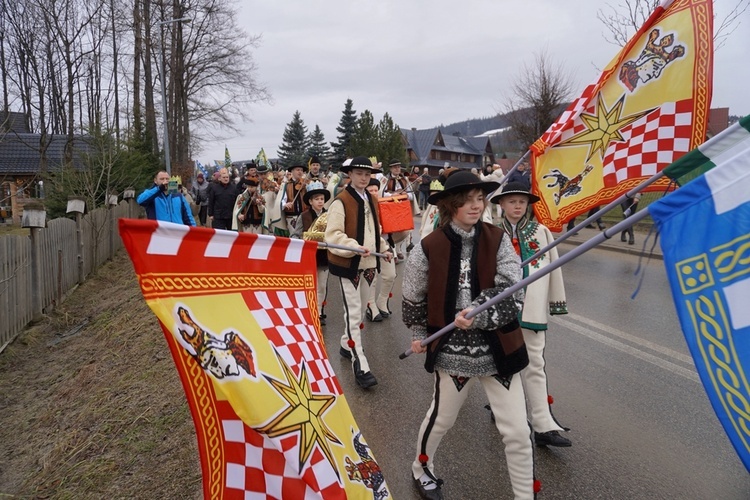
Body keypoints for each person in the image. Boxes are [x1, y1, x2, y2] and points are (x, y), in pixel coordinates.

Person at [402, 170, 534, 500]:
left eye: (480, 199)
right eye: (467, 201)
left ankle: (524, 495)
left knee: (518, 431)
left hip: (500, 349)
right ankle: (421, 469)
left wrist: (478, 312)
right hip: (452, 352)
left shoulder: (498, 239)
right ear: (451, 205)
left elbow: (513, 291)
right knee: (441, 419)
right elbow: (413, 295)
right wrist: (420, 333)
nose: (475, 206)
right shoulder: (428, 247)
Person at [492, 181, 572, 448]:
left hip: (531, 310)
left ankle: (542, 424)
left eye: (522, 202)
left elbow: (554, 267)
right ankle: (501, 406)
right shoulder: (491, 234)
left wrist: (555, 301)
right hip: (499, 311)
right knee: (502, 361)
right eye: (512, 201)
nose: (517, 206)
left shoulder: (541, 232)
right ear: (501, 204)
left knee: (534, 364)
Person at [325, 156, 393, 389]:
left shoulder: (373, 200)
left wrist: (384, 248)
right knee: (354, 314)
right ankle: (360, 361)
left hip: (369, 266)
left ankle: (346, 344)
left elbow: (377, 230)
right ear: (350, 175)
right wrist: (354, 247)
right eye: (359, 173)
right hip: (350, 266)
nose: (364, 178)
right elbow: (332, 235)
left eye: (367, 174)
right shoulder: (340, 202)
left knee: (363, 308)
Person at [364, 178, 397, 322]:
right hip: (370, 246)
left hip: (386, 245)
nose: (373, 193)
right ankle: (370, 305)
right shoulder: (364, 208)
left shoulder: (385, 204)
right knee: (373, 277)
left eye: (375, 190)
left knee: (390, 275)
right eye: (370, 191)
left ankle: (382, 300)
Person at [301, 181, 331, 325]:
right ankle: (310, 310)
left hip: (324, 256)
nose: (320, 201)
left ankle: (319, 311)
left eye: (322, 199)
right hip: (309, 255)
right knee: (310, 284)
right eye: (317, 199)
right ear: (310, 201)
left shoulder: (329, 215)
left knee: (322, 285)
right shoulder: (304, 216)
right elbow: (297, 234)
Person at [280, 164, 308, 238]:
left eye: (301, 170)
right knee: (293, 237)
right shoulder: (286, 185)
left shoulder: (305, 184)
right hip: (292, 217)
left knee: (305, 237)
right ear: (292, 172)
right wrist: (285, 204)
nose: (300, 172)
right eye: (298, 170)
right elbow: (282, 199)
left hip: (304, 215)